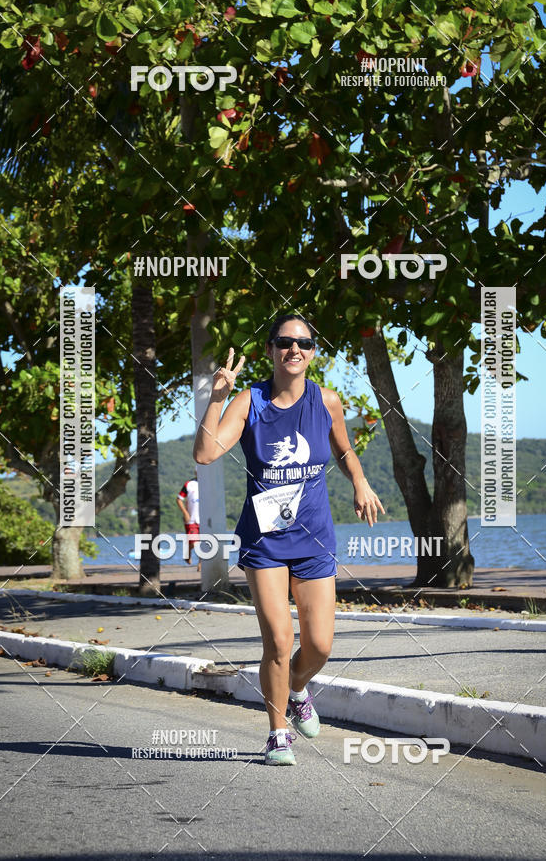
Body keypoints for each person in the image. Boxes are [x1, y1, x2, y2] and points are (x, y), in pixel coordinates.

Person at [193, 315, 384, 765]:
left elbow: (344, 449)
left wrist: (359, 481)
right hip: (264, 542)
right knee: (278, 641)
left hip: (315, 537)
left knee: (319, 645)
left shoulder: (327, 400)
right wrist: (217, 399)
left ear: (313, 351)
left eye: (304, 342)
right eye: (284, 342)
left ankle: (297, 689)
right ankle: (278, 733)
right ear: (270, 350)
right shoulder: (249, 400)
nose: (294, 349)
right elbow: (205, 453)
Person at [176, 473, 201, 573]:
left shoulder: (210, 484)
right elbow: (179, 499)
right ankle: (187, 551)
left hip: (205, 519)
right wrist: (185, 513)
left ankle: (200, 564)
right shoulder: (189, 484)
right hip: (191, 519)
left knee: (204, 542)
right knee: (194, 543)